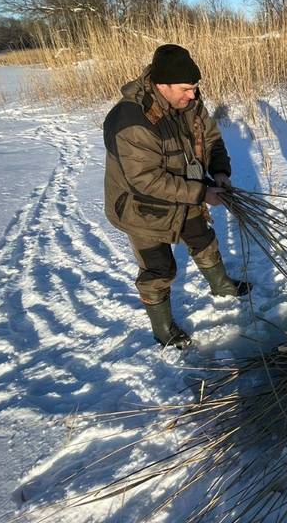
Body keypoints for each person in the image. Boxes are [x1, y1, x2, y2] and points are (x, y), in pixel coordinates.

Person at [103, 44, 250, 350]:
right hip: (142, 207)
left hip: (185, 189)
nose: (193, 96)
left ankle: (221, 285)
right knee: (159, 269)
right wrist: (201, 192)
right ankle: (164, 330)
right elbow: (146, 180)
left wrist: (220, 171)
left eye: (195, 89)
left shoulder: (189, 104)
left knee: (203, 239)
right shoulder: (130, 120)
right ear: (162, 85)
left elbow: (211, 138)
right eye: (186, 89)